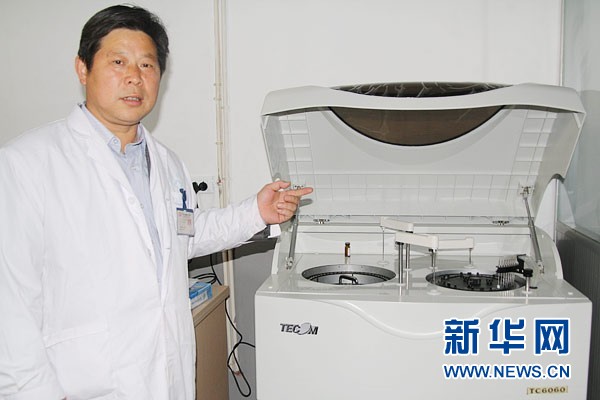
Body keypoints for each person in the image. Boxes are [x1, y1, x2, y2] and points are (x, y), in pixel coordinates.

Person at [0, 4, 312, 400]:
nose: (134, 76)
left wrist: (256, 212)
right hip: (81, 385)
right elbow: (10, 306)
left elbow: (184, 235)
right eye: (118, 61)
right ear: (83, 69)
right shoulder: (26, 164)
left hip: (165, 377)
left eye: (147, 65)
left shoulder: (167, 163)